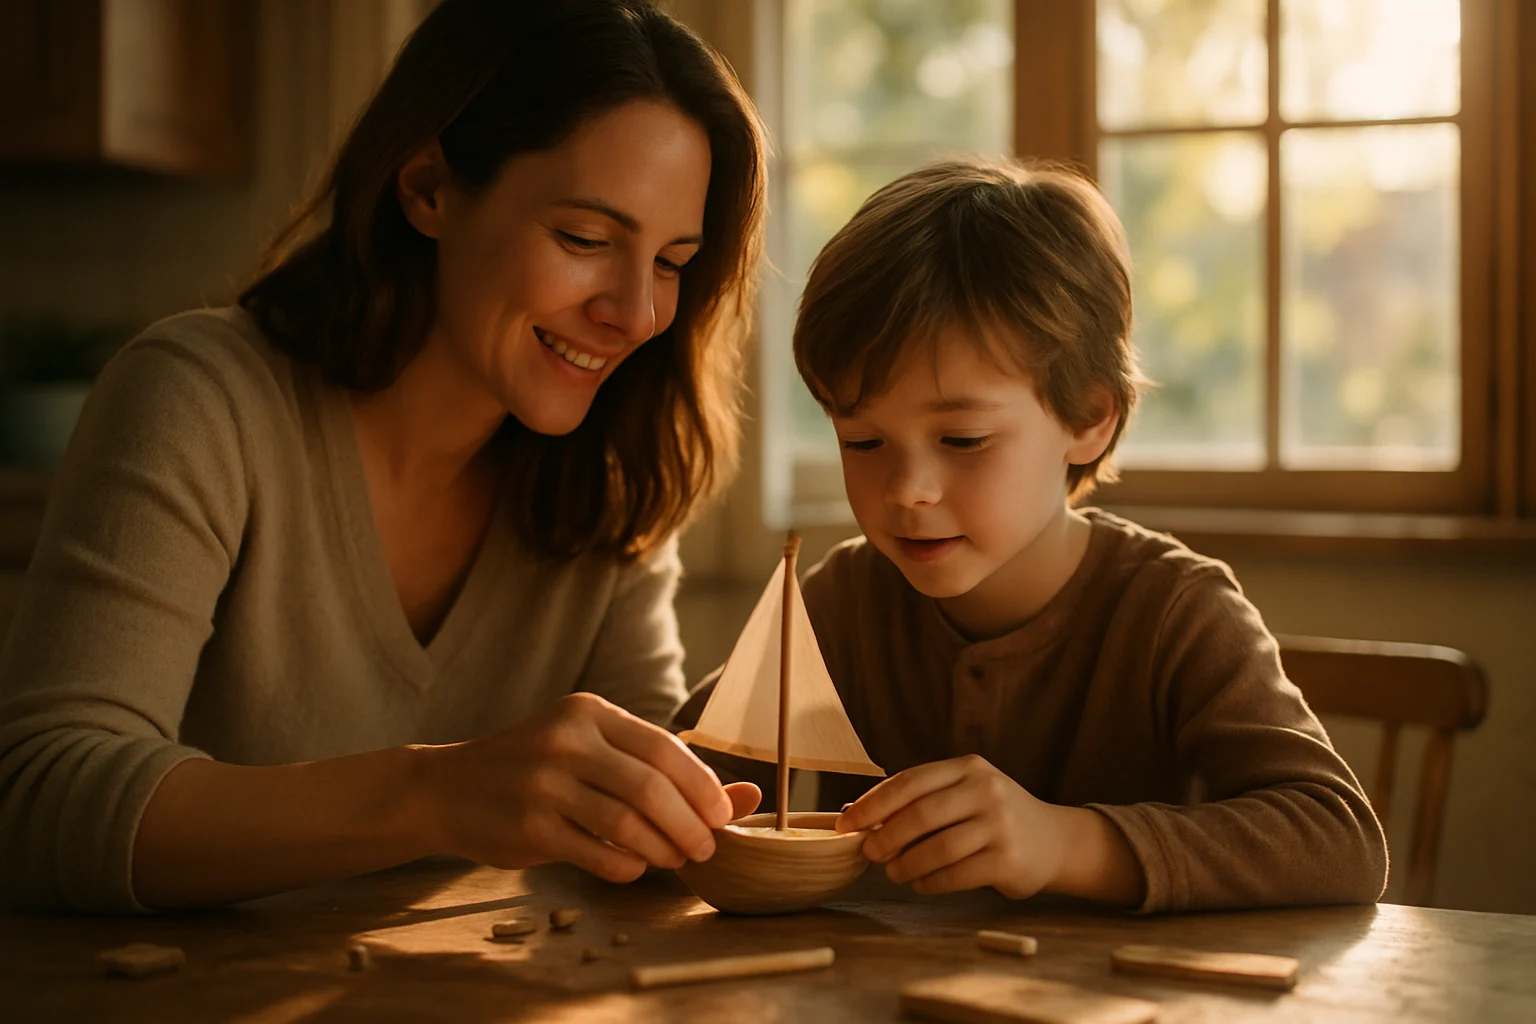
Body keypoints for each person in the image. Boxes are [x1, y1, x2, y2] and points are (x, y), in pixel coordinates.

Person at [0, 0, 768, 913]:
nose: (637, 313)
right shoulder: (201, 401)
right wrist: (432, 796)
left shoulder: (612, 479)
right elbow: (39, 799)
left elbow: (626, 820)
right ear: (429, 188)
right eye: (586, 240)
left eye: (674, 261)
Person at [675, 158, 1388, 912]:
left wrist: (1068, 843)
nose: (906, 489)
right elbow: (687, 776)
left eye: (963, 440)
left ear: (1088, 416)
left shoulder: (1174, 611)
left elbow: (1340, 840)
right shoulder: (841, 602)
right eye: (861, 442)